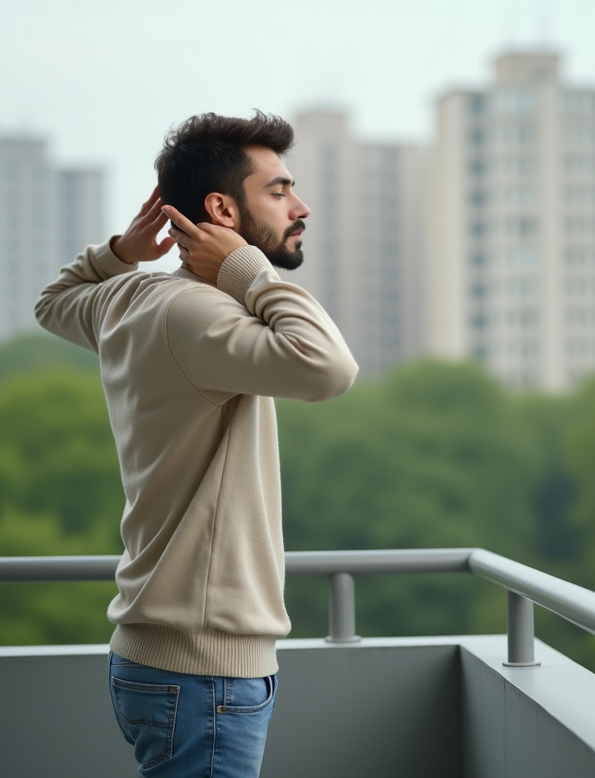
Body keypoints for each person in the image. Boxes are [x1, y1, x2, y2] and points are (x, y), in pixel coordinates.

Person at [34, 111, 358, 778]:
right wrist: (246, 268)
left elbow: (54, 301)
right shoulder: (196, 314)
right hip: (203, 672)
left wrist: (123, 251)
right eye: (278, 191)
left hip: (162, 660)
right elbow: (330, 368)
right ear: (221, 208)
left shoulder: (130, 298)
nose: (301, 207)